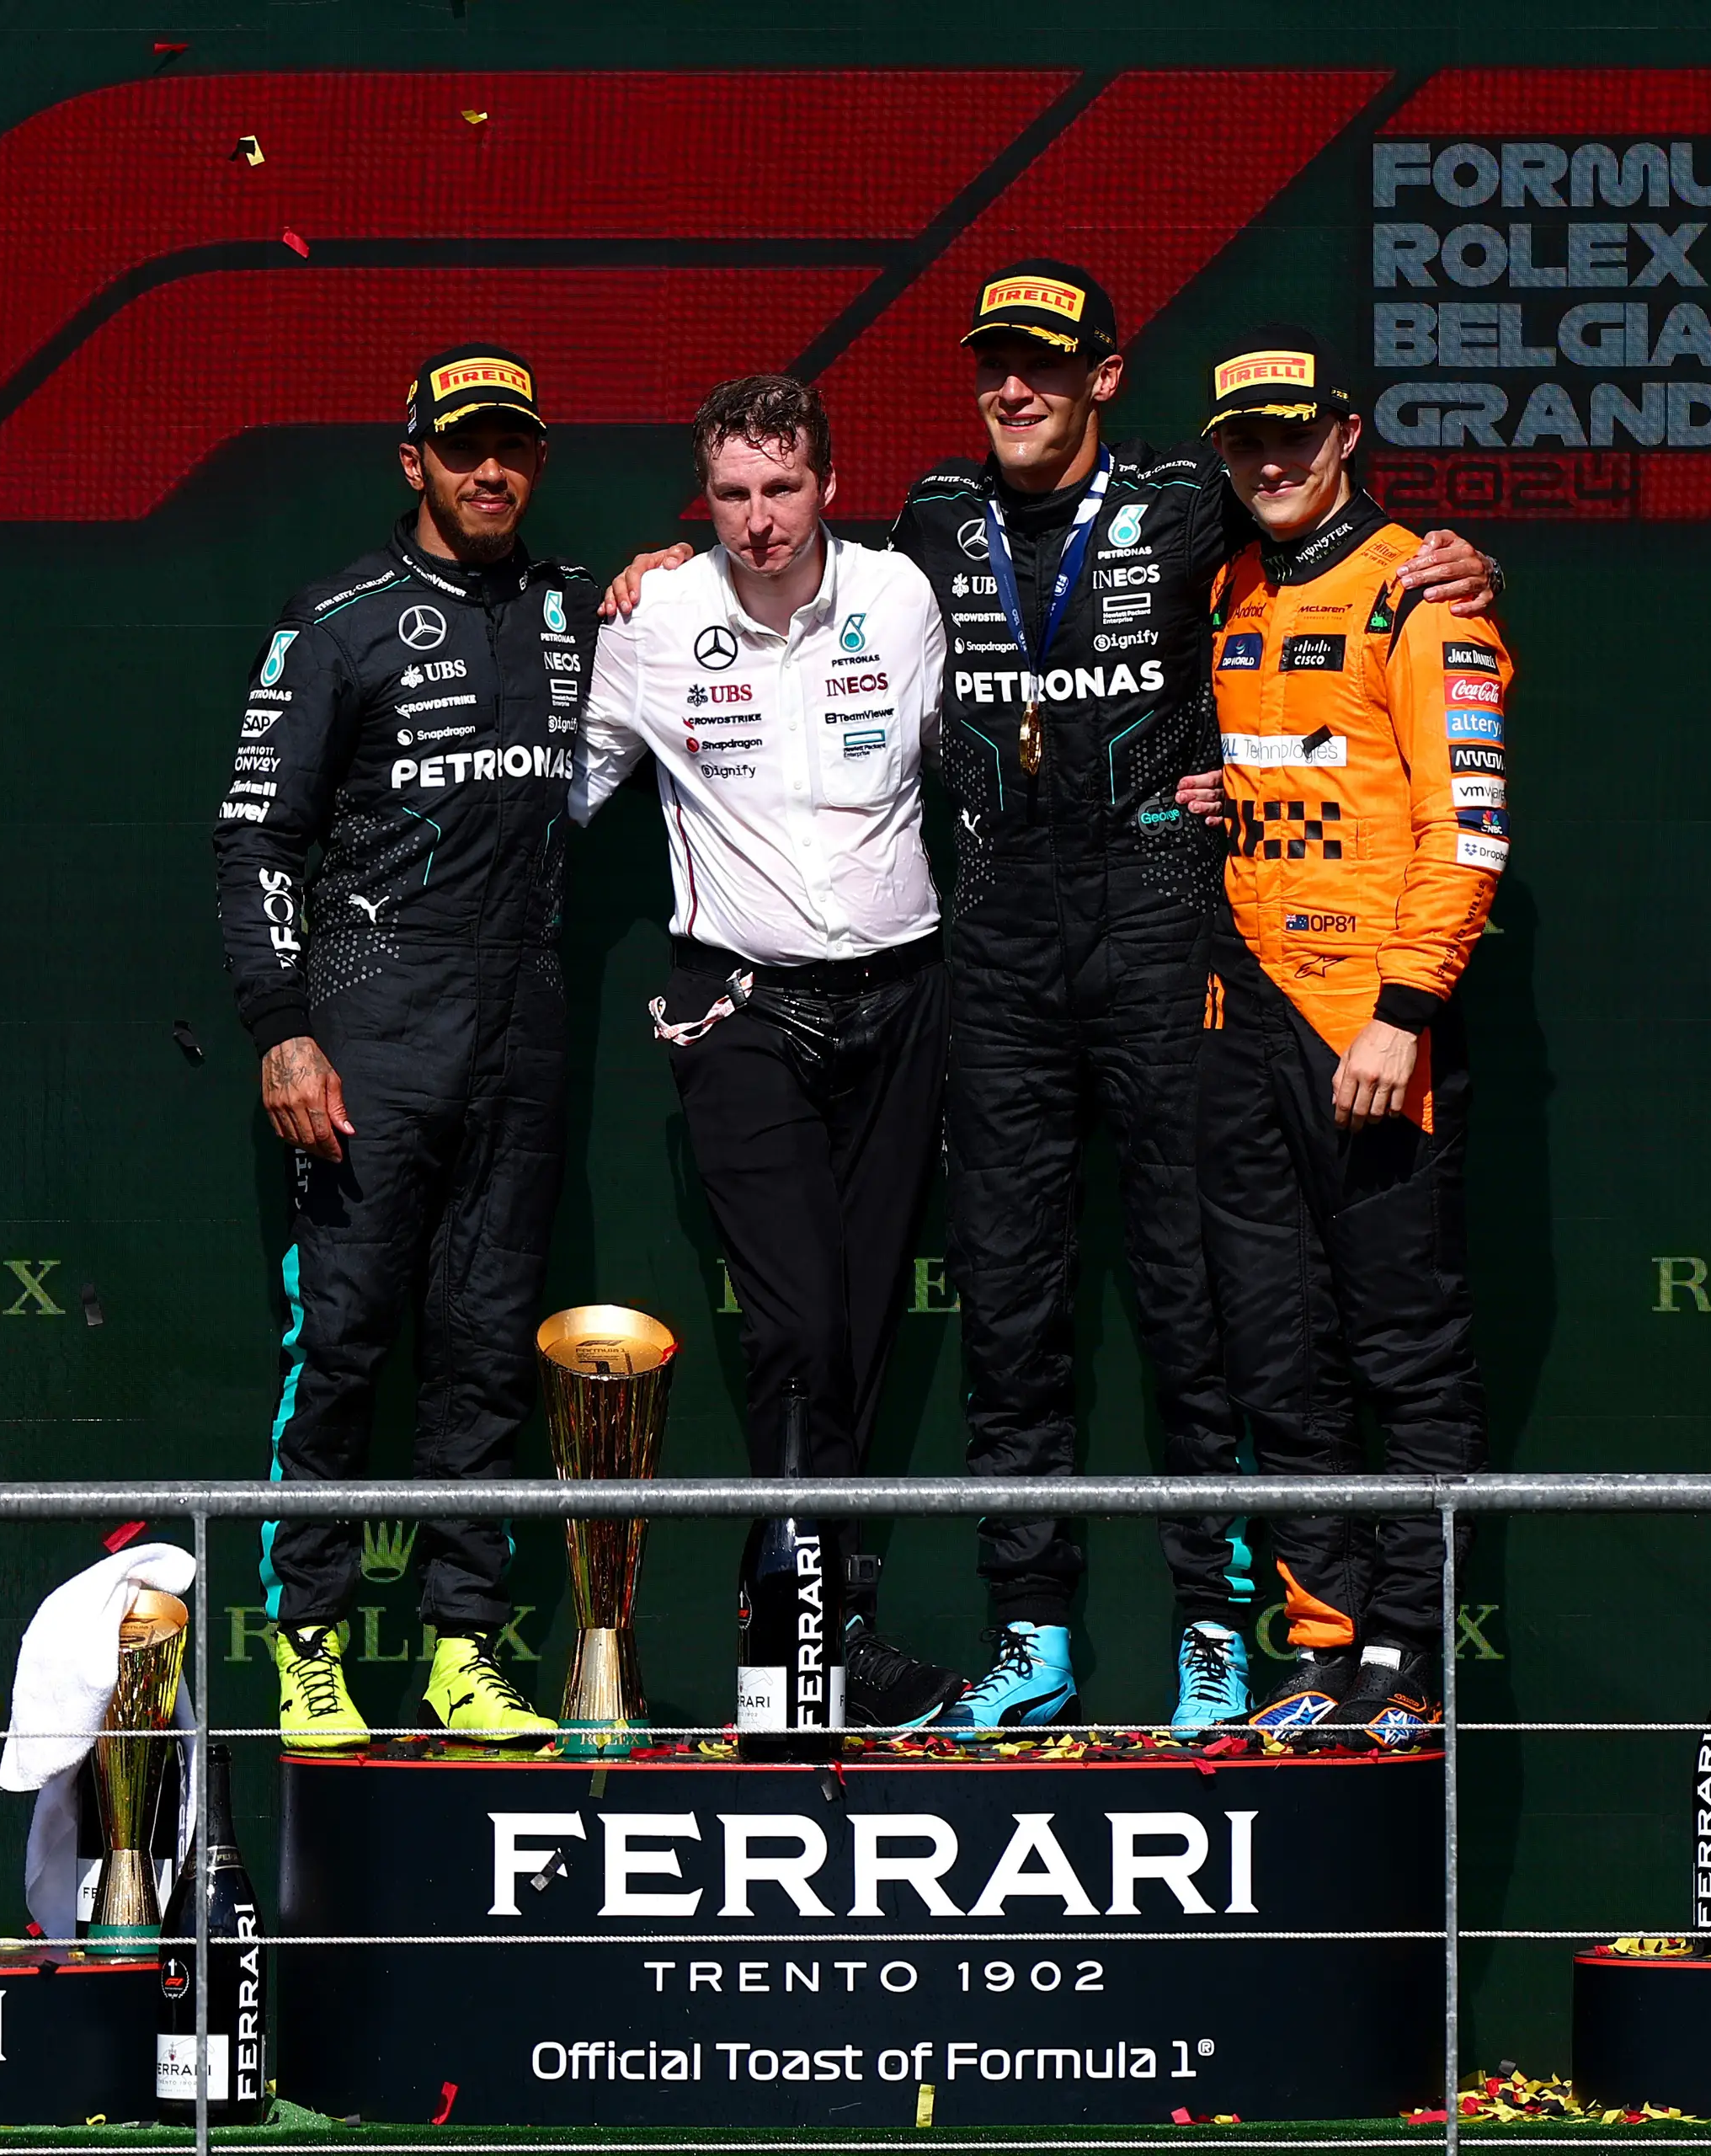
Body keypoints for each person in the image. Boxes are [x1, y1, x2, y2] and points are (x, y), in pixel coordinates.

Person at [606, 264, 1498, 1734]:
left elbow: (1324, 541)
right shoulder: (936, 521)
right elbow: (780, 556)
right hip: (1000, 939)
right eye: (994, 366)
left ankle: (1214, 1628)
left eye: (1046, 364)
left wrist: (1458, 560)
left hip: (1159, 925)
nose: (1015, 389)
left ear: (1105, 376)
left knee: (1193, 1301)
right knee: (1011, 1302)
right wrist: (670, 562)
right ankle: (1032, 1626)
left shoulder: (1192, 500)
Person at [568, 374, 969, 1732]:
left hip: (903, 1001)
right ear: (704, 500)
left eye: (782, 488)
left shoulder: (902, 598)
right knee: (796, 1326)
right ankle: (794, 1667)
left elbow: (979, 760)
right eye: (732, 494)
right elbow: (562, 791)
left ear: (829, 487)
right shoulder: (654, 619)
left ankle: (818, 1641)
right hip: (740, 1010)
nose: (758, 519)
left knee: (855, 1328)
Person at [212, 344, 598, 1752]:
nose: (488, 470)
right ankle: (308, 1649)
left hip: (522, 1024)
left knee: (489, 1350)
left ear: (537, 459)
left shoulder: (576, 608)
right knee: (344, 1344)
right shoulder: (336, 620)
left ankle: (462, 1650)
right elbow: (256, 837)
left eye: (511, 446)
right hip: (372, 1026)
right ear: (414, 460)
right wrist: (283, 1030)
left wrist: (653, 577)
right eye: (462, 447)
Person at [1176, 325, 1510, 1746]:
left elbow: (1469, 826)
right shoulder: (1230, 583)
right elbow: (1298, 761)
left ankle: (1409, 1652)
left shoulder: (1424, 592)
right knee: (1276, 1353)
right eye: (1246, 440)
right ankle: (1321, 1644)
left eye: (1293, 434)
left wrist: (1403, 1012)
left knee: (1406, 1353)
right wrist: (1228, 794)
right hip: (1242, 1012)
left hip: (1371, 1027)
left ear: (1346, 434)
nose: (1270, 460)